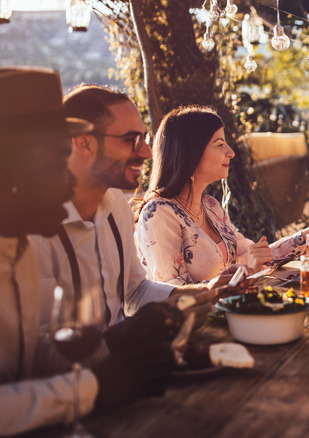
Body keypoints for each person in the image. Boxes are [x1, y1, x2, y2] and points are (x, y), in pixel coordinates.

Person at [0, 67, 179, 435]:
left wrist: (116, 342)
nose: (69, 180)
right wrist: (93, 388)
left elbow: (29, 360)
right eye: (54, 162)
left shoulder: (15, 249)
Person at [28, 85, 220, 327]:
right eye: (132, 140)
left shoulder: (117, 203)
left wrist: (203, 292)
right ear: (84, 143)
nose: (147, 153)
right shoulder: (32, 232)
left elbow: (134, 290)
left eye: (145, 138)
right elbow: (34, 347)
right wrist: (119, 344)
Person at [134, 105, 309, 285]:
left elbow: (260, 257)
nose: (230, 152)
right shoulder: (158, 214)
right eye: (219, 144)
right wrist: (246, 271)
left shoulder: (210, 207)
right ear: (190, 152)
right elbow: (174, 294)